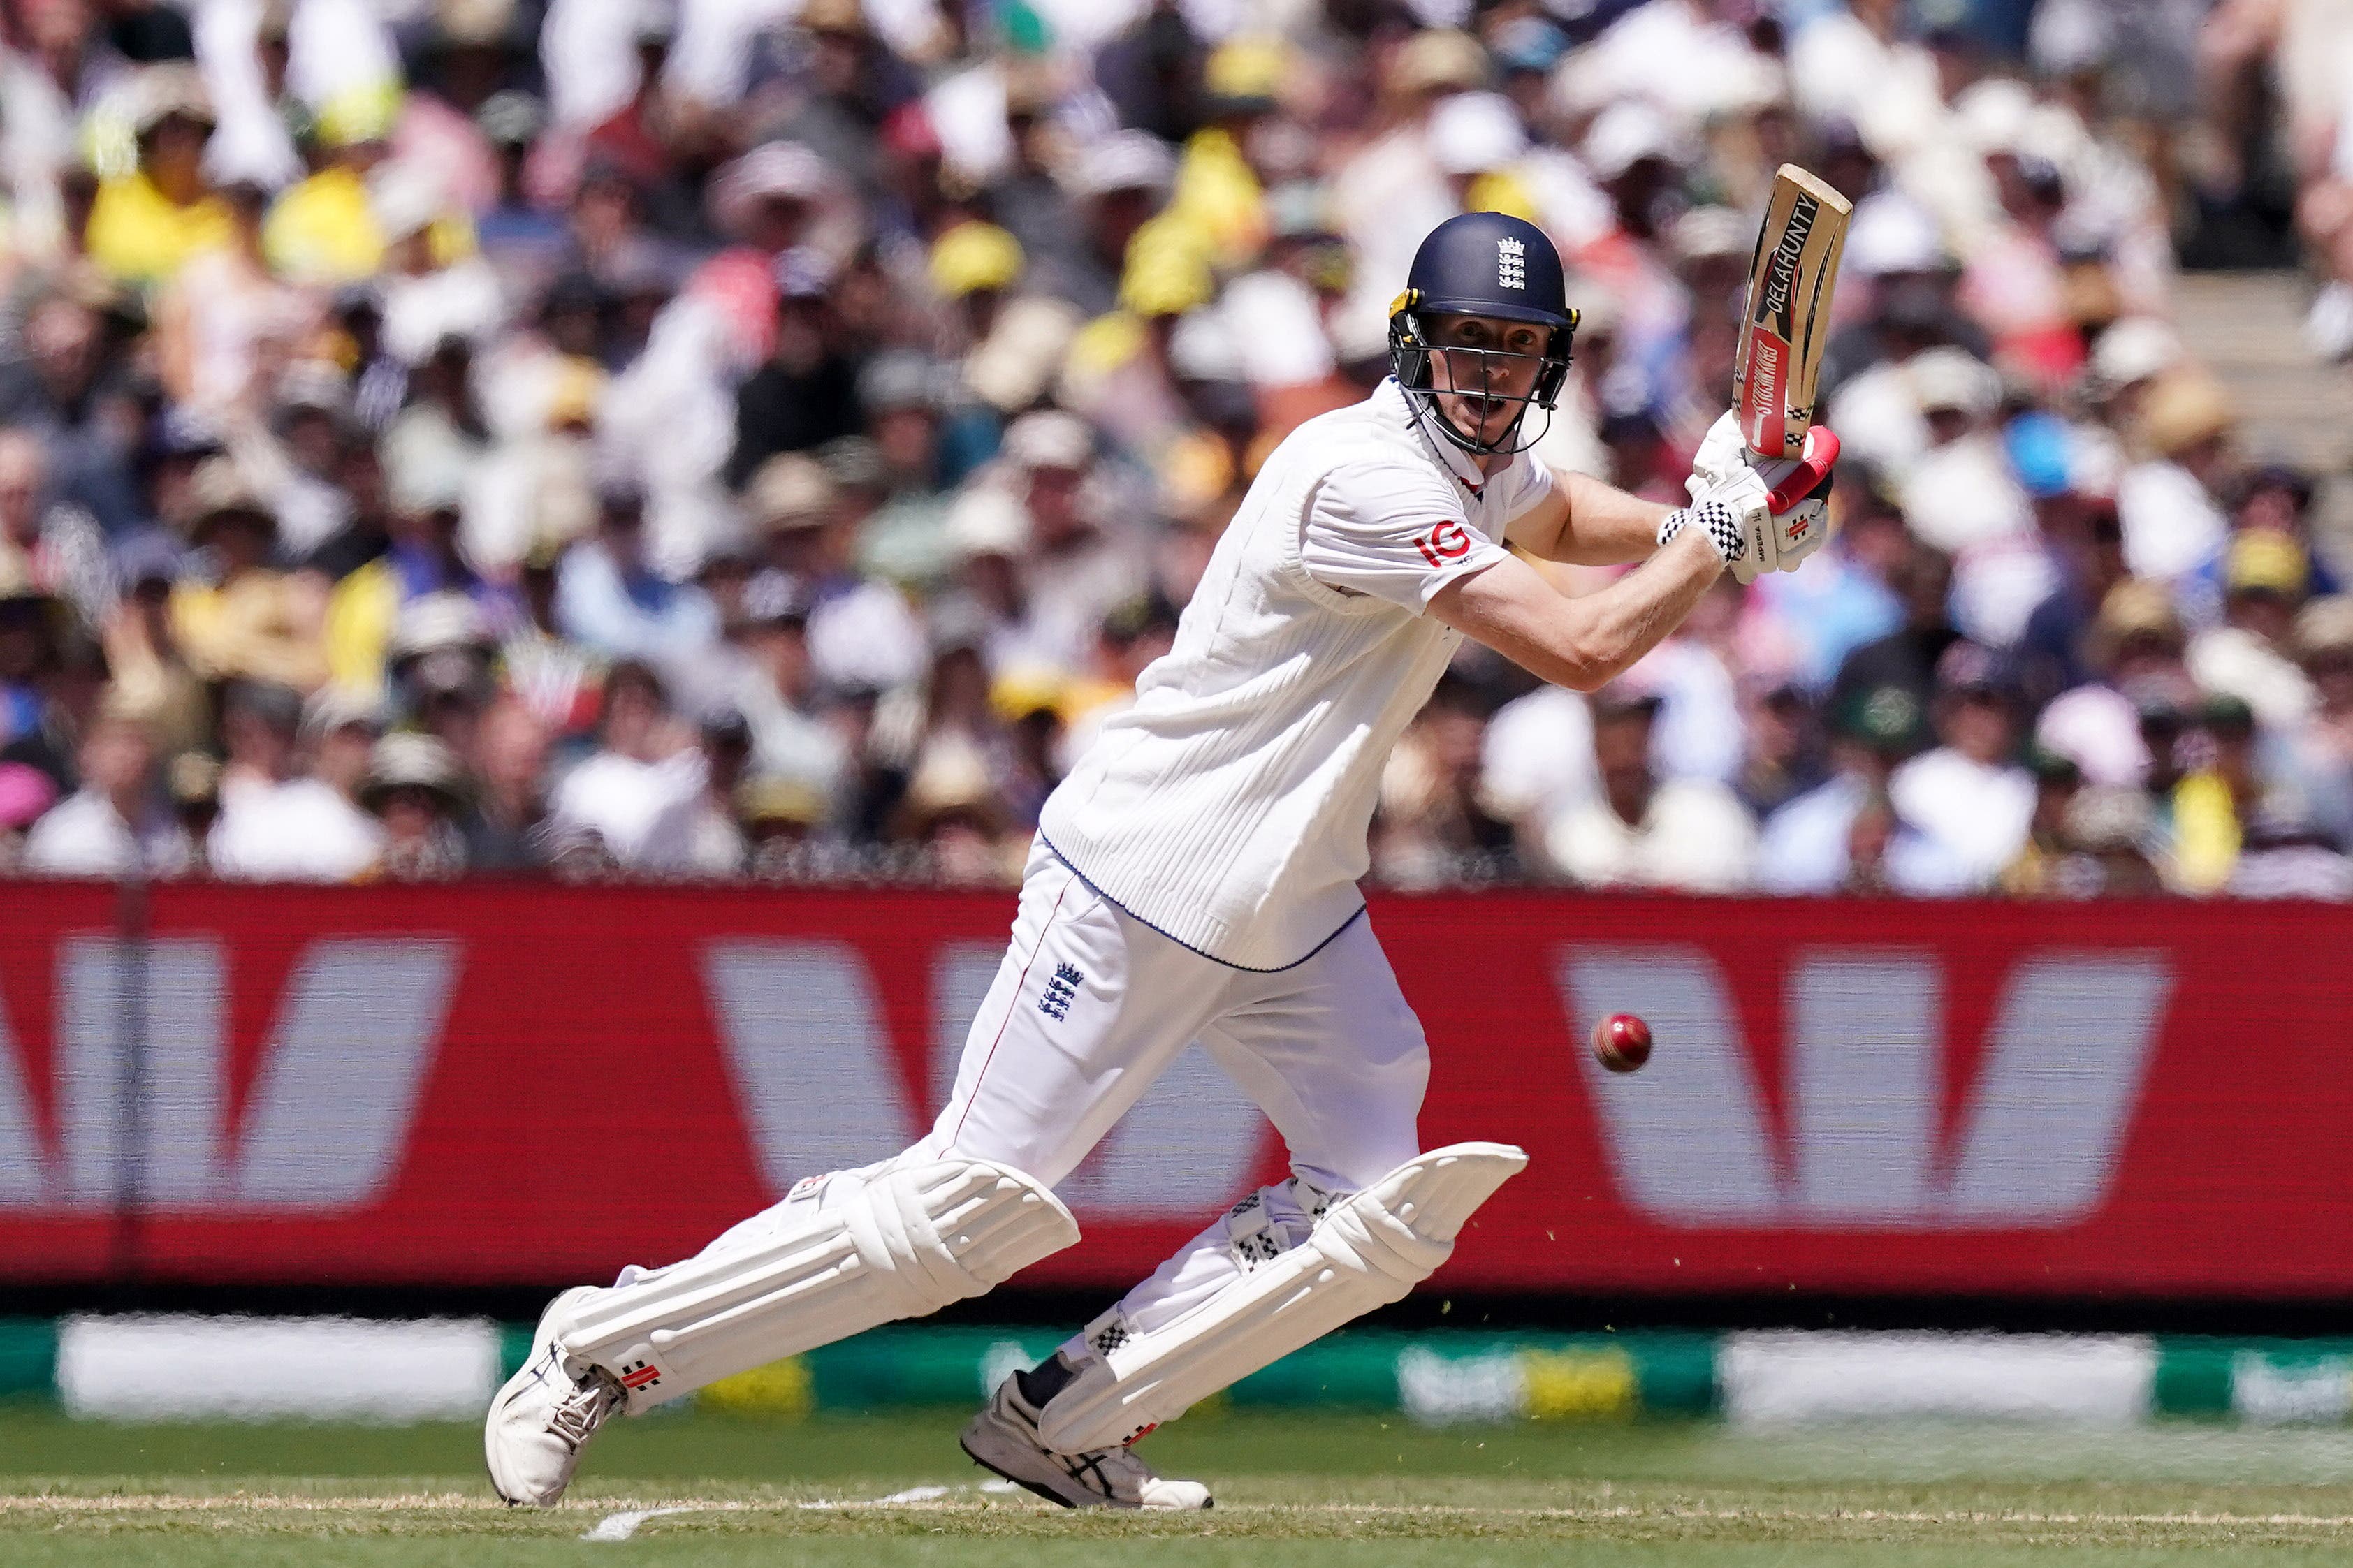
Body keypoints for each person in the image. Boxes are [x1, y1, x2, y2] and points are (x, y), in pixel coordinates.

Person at [483, 213, 1833, 1510]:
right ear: (1414, 341)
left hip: (1290, 901)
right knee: (968, 1214)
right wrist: (1718, 531)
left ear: (1551, 360)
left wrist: (1715, 515)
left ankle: (1068, 1420)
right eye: (1468, 343)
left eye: (1517, 349)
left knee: (1381, 1200)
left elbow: (1566, 515)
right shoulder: (1354, 472)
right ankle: (599, 1347)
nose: (1489, 375)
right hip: (1144, 873)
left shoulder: (1481, 467)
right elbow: (1581, 647)